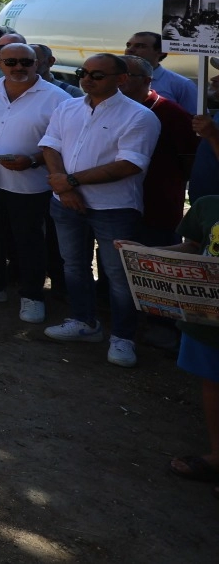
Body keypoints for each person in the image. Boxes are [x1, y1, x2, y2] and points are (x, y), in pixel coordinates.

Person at [38, 53, 160, 368]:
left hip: (114, 208)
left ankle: (122, 337)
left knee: (118, 275)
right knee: (74, 266)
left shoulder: (139, 116)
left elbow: (130, 164)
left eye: (97, 74)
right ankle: (84, 322)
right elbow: (50, 145)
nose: (87, 79)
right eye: (84, 72)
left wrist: (70, 181)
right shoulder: (67, 107)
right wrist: (65, 188)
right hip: (66, 203)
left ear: (121, 79)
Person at [0, 42, 70, 315]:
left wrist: (33, 160)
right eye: (11, 62)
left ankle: (32, 296)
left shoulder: (58, 98)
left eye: (26, 62)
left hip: (28, 183)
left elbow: (65, 142)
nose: (18, 67)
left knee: (29, 240)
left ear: (37, 64)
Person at [163, 194, 219, 490]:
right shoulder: (209, 205)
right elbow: (193, 247)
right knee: (212, 383)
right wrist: (146, 253)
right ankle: (217, 455)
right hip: (209, 318)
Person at [122, 55, 197, 248]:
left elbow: (190, 160)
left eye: (126, 75)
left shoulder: (171, 112)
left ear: (147, 80)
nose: (118, 79)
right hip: (114, 205)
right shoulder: (103, 108)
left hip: (157, 206)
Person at [125, 31, 199, 115]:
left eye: (140, 46)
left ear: (160, 52)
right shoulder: (117, 79)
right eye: (128, 45)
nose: (130, 50)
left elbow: (195, 118)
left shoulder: (182, 84)